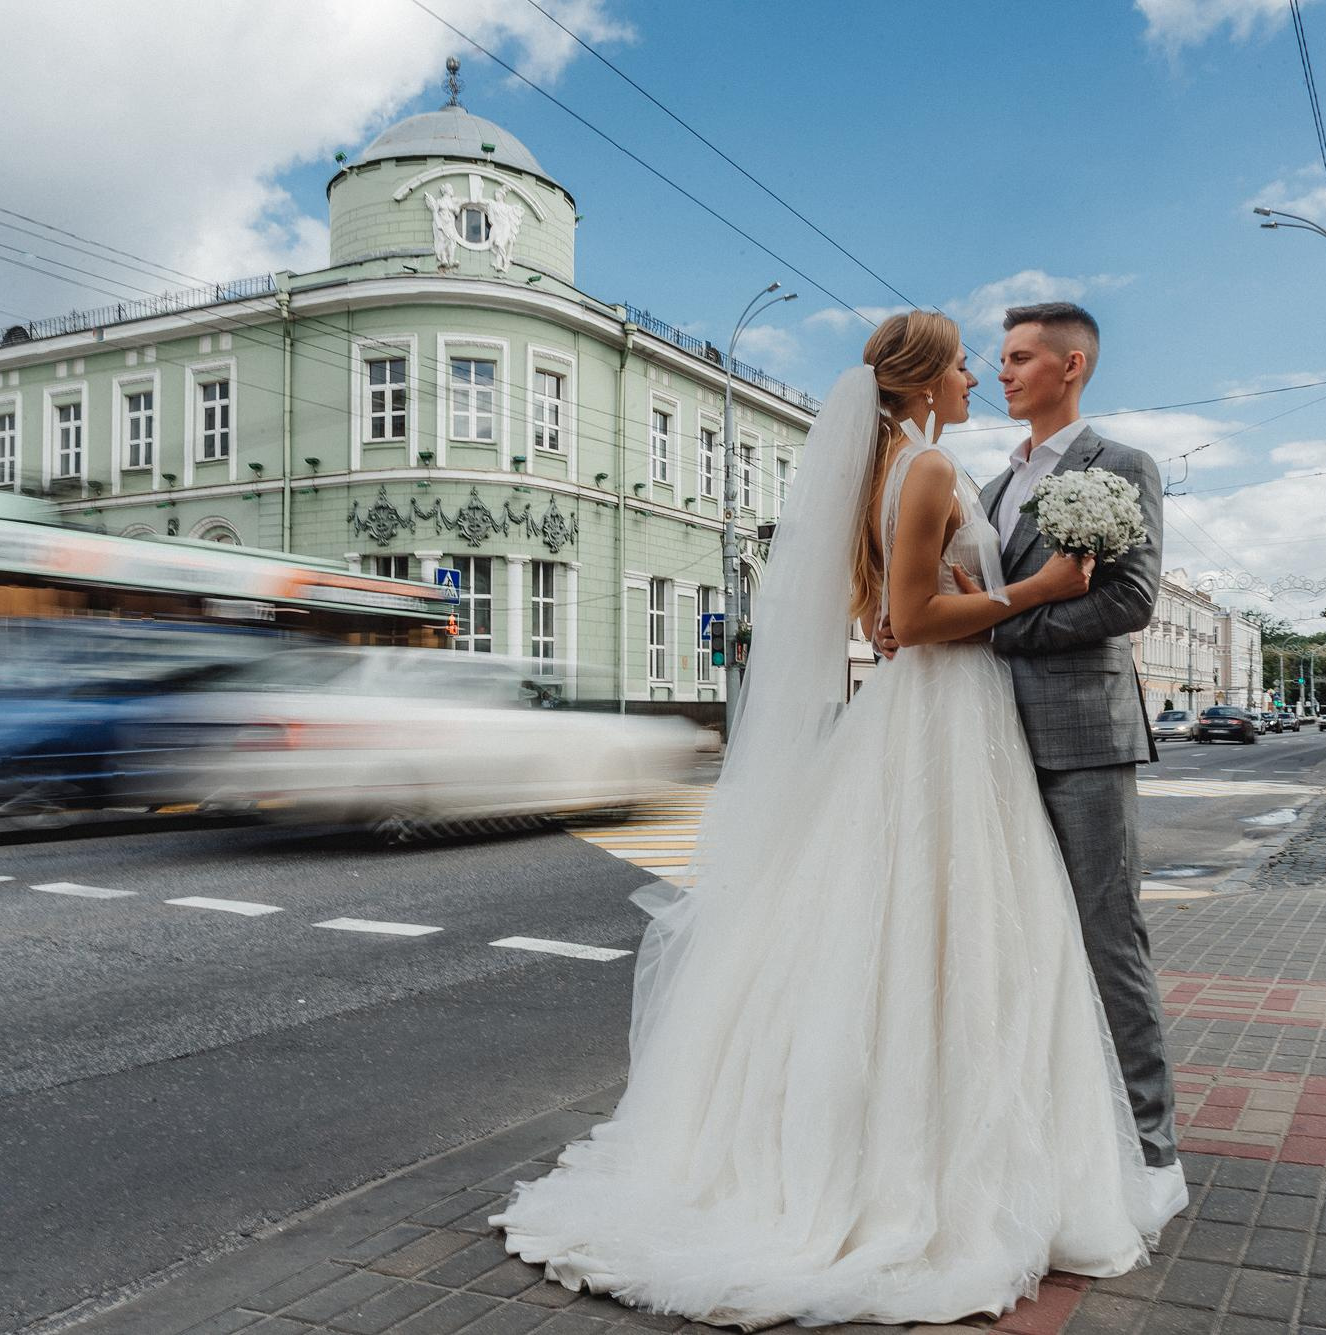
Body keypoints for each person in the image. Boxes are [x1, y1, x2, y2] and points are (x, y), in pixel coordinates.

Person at [493, 312, 1162, 1327]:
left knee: (919, 924)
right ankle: (949, 1159)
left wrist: (950, 607)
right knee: (963, 926)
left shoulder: (903, 467)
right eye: (970, 362)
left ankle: (947, 1134)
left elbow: (887, 616)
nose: (983, 372)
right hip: (946, 717)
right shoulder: (933, 472)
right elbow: (923, 617)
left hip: (948, 717)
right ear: (929, 378)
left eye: (1008, 355)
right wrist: (1033, 588)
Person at [880, 301, 1180, 1218]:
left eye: (1017, 358)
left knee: (1106, 937)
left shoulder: (1121, 467)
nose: (1001, 373)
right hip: (993, 745)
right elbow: (968, 591)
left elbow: (1128, 600)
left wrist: (1007, 624)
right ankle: (1050, 1143)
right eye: (997, 360)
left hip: (1084, 740)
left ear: (1072, 365)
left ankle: (1150, 1146)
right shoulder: (996, 480)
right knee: (1015, 947)